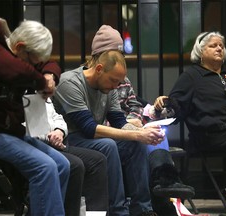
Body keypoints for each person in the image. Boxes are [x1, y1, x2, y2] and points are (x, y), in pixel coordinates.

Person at [53, 25, 165, 216]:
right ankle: (118, 211)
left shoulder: (109, 87)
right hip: (69, 138)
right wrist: (136, 134)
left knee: (135, 144)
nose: (116, 87)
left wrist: (144, 133)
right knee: (109, 145)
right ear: (98, 69)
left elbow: (119, 121)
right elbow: (88, 128)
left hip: (92, 138)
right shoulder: (69, 82)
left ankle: (142, 210)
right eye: (114, 81)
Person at [0, 18, 70, 215]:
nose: (35, 66)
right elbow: (17, 70)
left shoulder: (16, 52)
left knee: (62, 164)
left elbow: (50, 64)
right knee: (45, 167)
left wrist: (50, 75)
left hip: (7, 130)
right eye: (33, 61)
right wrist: (42, 82)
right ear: (20, 47)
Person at [154, 31, 226, 197]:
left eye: (221, 45)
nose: (219, 48)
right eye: (213, 46)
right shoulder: (192, 76)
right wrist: (162, 103)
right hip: (214, 133)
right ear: (200, 52)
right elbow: (174, 107)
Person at [117, 76, 195, 216]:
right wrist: (126, 123)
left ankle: (165, 181)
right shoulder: (95, 86)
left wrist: (160, 108)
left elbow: (139, 106)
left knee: (156, 130)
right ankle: (164, 186)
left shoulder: (123, 80)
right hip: (114, 132)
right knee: (145, 136)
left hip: (134, 126)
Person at [34, 97, 109, 215]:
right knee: (74, 165)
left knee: (97, 160)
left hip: (58, 142)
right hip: (38, 144)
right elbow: (28, 129)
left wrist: (59, 131)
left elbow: (57, 117)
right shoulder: (25, 94)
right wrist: (49, 137)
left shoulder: (43, 93)